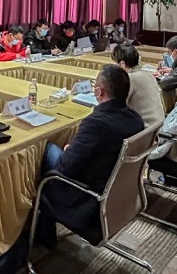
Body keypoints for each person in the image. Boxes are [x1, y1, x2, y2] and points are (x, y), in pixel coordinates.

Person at [35, 65, 145, 248]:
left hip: (90, 199)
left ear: (99, 91)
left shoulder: (96, 123)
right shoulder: (135, 118)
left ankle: (43, 230)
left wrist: (69, 150)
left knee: (49, 150)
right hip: (120, 196)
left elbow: (65, 167)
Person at [112, 43, 165, 126]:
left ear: (122, 64)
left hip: (145, 129)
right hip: (159, 125)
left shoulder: (129, 79)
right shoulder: (149, 74)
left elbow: (116, 106)